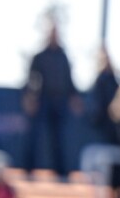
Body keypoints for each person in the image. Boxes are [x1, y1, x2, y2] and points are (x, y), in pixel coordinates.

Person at [21, 20, 82, 177]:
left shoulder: (63, 57)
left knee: (59, 138)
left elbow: (69, 80)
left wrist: (74, 97)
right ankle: (28, 169)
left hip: (60, 102)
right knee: (35, 136)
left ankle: (60, 171)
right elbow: (32, 79)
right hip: (43, 100)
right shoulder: (39, 56)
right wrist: (30, 97)